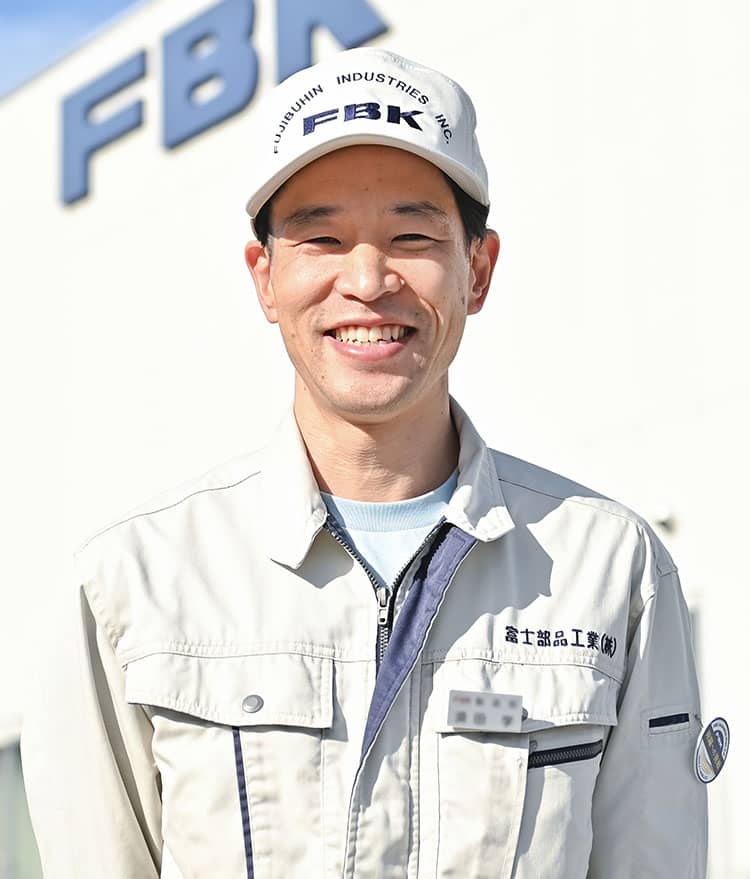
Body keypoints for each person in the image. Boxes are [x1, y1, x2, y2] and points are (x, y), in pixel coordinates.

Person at [22, 47, 707, 878]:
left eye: (412, 236)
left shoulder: (611, 568)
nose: (369, 279)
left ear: (477, 270)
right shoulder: (135, 583)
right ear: (265, 278)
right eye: (322, 237)